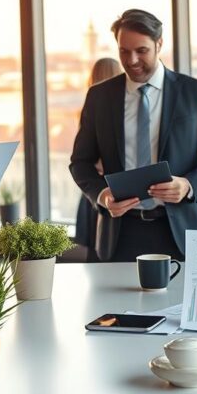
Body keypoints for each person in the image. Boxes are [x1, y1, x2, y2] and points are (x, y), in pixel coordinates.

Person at [70, 9, 197, 262]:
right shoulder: (100, 97)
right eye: (124, 51)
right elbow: (80, 163)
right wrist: (101, 195)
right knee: (116, 304)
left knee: (186, 303)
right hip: (119, 233)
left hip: (184, 233)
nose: (132, 60)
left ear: (159, 44)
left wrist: (189, 185)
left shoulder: (194, 92)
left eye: (142, 51)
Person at [74, 57, 123, 261]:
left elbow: (83, 158)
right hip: (112, 191)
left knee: (96, 254)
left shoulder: (87, 109)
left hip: (95, 191)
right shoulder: (121, 110)